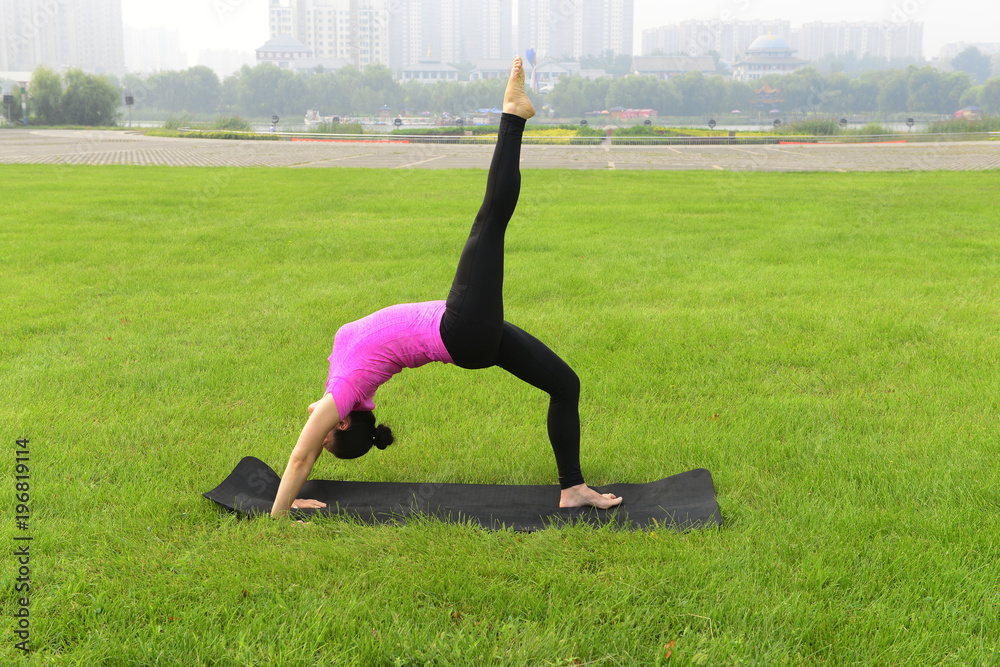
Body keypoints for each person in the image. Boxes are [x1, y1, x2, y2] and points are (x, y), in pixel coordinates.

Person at [270, 57, 622, 518]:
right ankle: (513, 115)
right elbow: (302, 455)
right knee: (489, 222)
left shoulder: (344, 386)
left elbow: (311, 452)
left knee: (565, 385)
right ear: (342, 420)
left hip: (465, 332)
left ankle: (572, 487)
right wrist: (280, 513)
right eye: (325, 432)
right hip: (460, 330)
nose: (312, 427)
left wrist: (296, 487)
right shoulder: (347, 387)